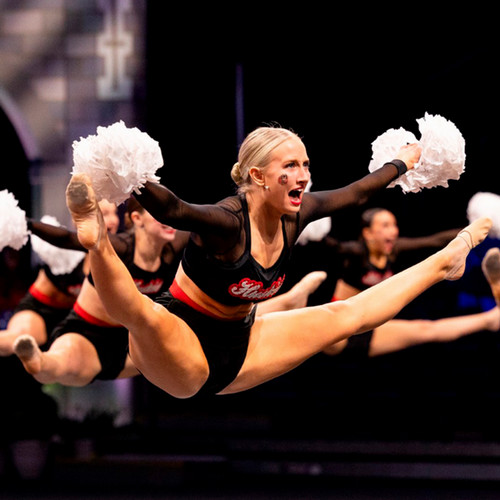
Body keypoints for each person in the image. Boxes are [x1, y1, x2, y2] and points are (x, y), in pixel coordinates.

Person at [64, 125, 492, 399]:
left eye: (306, 164)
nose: (304, 175)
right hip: (182, 348)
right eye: (291, 165)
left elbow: (358, 192)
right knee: (145, 314)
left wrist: (405, 162)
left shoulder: (298, 212)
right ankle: (97, 240)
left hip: (243, 346)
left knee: (347, 315)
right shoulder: (227, 221)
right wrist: (129, 174)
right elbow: (174, 211)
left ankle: (446, 262)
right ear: (258, 177)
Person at [14, 198, 186, 386]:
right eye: (158, 215)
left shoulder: (169, 249)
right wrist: (25, 223)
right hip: (88, 332)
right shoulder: (120, 247)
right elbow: (68, 238)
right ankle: (38, 360)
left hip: (128, 342)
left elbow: (202, 221)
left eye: (168, 214)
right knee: (60, 365)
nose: (167, 220)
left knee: (182, 355)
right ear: (137, 219)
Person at [0, 200, 120, 356]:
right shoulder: (61, 248)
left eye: (115, 213)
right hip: (43, 311)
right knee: (18, 339)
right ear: (79, 220)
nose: (113, 220)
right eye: (104, 214)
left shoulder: (122, 254)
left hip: (79, 321)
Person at [330, 207, 460, 301]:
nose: (393, 231)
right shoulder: (357, 251)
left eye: (394, 225)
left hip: (368, 317)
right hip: (342, 315)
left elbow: (434, 240)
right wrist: (316, 233)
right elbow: (334, 247)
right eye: (386, 226)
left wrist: (474, 228)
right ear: (368, 233)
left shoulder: (394, 249)